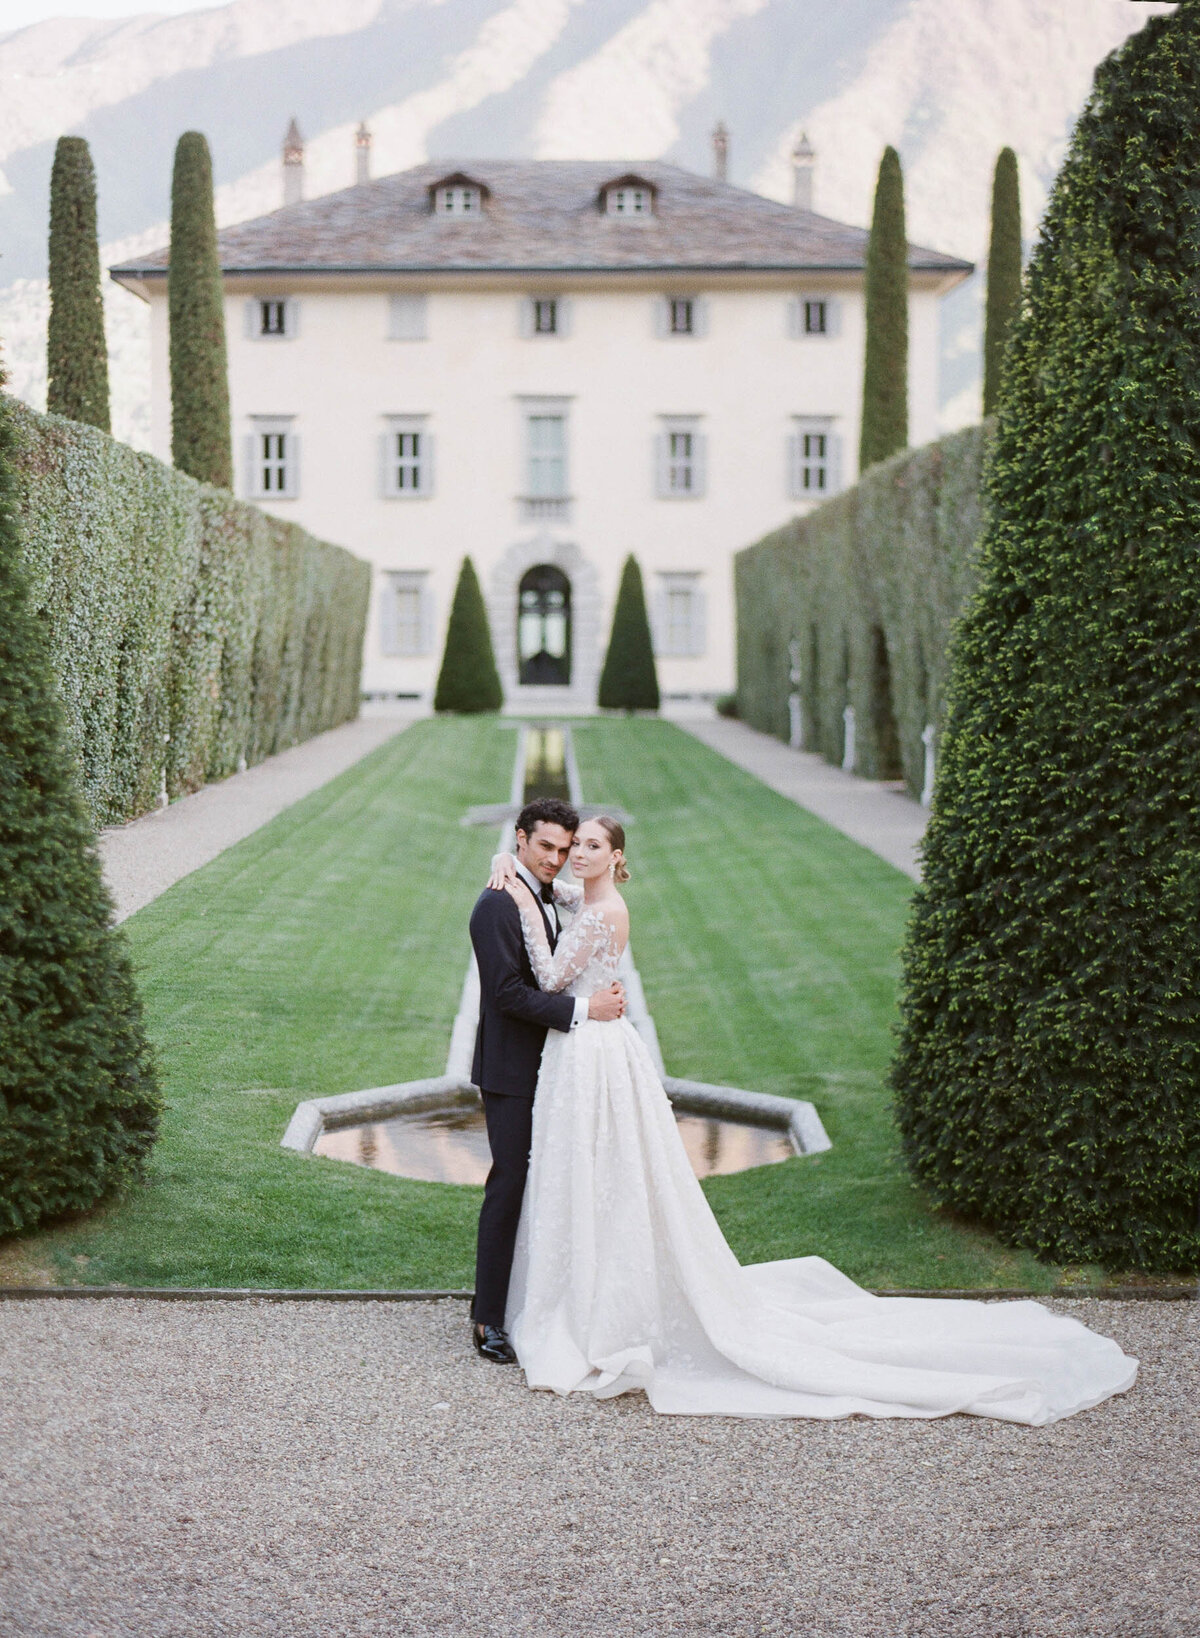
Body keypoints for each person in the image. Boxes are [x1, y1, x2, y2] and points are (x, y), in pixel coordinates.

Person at [484, 817, 1138, 1423]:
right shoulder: (583, 900)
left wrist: (517, 895)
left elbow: (544, 971)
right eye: (573, 847)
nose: (576, 855)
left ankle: (596, 1303)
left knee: (607, 1168)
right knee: (592, 1168)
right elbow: (566, 900)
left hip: (594, 1047)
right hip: (588, 1047)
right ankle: (587, 1288)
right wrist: (511, 869)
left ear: (615, 856)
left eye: (591, 845)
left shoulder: (602, 912)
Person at [467, 798, 624, 1365]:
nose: (558, 858)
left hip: (556, 1065)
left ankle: (533, 1300)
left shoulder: (547, 891)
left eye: (565, 848)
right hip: (512, 1068)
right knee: (508, 1183)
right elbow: (506, 995)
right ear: (520, 838)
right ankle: (487, 1317)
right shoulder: (495, 907)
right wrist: (586, 1010)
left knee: (554, 1181)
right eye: (546, 847)